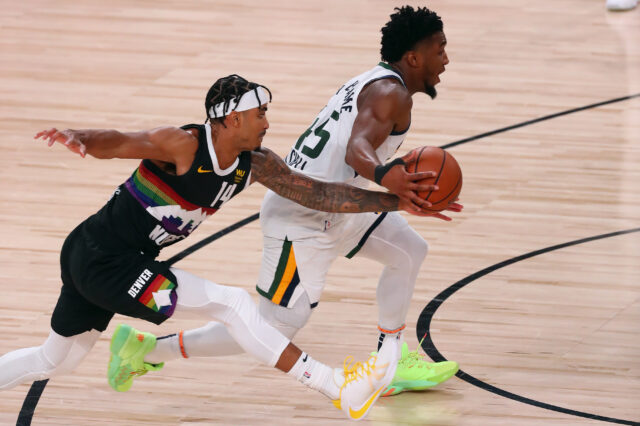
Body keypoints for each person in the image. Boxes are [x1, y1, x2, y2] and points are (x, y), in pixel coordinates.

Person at [0, 74, 439, 420]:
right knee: (230, 303)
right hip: (100, 259)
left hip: (116, 262)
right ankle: (335, 387)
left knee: (52, 361)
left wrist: (393, 201)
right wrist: (80, 136)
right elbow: (119, 139)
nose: (268, 122)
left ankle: (337, 388)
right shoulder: (184, 144)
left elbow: (318, 195)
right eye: (260, 113)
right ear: (231, 119)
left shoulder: (256, 163)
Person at [140, 6, 463, 398]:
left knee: (409, 250)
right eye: (439, 49)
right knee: (273, 328)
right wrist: (385, 175)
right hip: (303, 217)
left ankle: (388, 362)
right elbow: (357, 149)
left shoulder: (379, 82)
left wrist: (388, 184)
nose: (445, 58)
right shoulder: (390, 93)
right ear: (413, 58)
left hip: (343, 206)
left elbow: (355, 151)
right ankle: (149, 350)